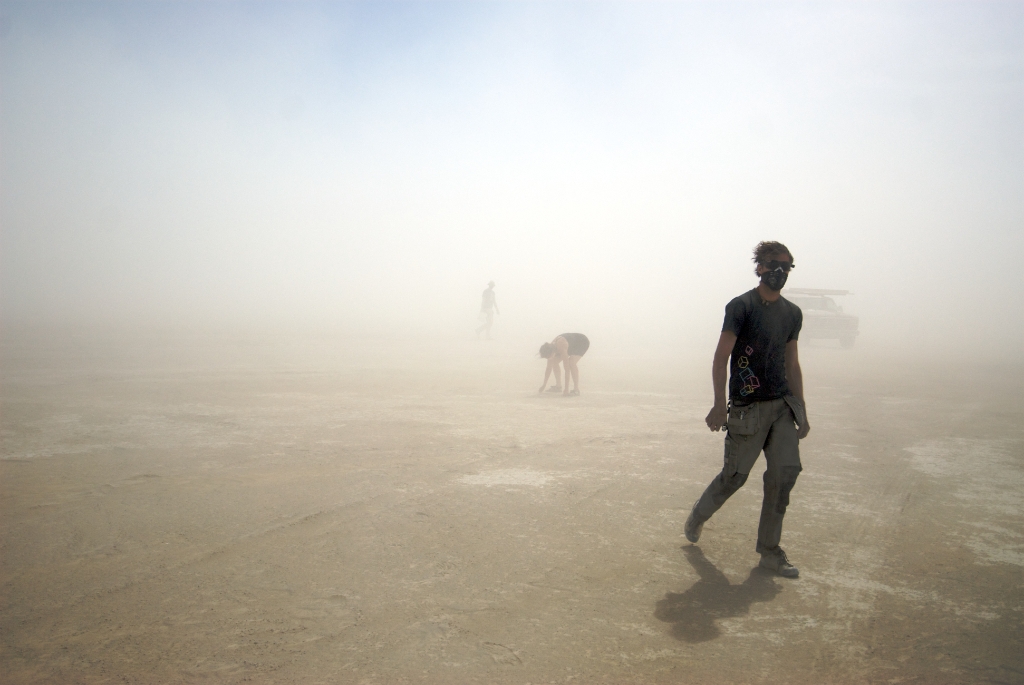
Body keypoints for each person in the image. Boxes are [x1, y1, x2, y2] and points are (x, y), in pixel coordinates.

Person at [684, 241, 810, 578]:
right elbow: (721, 356)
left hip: (782, 406)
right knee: (735, 477)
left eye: (786, 266)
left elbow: (792, 363)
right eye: (773, 265)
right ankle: (698, 514)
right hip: (747, 407)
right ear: (760, 268)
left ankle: (770, 551)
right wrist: (718, 405)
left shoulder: (792, 314)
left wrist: (802, 410)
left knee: (784, 475)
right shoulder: (741, 306)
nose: (779, 271)